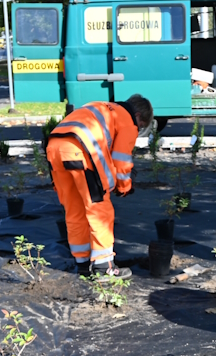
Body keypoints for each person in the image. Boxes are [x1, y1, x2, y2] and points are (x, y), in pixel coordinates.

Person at [46, 94, 153, 278]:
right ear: (137, 116)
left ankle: (82, 262)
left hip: (55, 148)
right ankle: (104, 265)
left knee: (75, 209)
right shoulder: (128, 120)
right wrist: (124, 186)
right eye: (141, 125)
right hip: (81, 150)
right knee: (99, 208)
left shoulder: (99, 106)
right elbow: (121, 160)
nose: (138, 129)